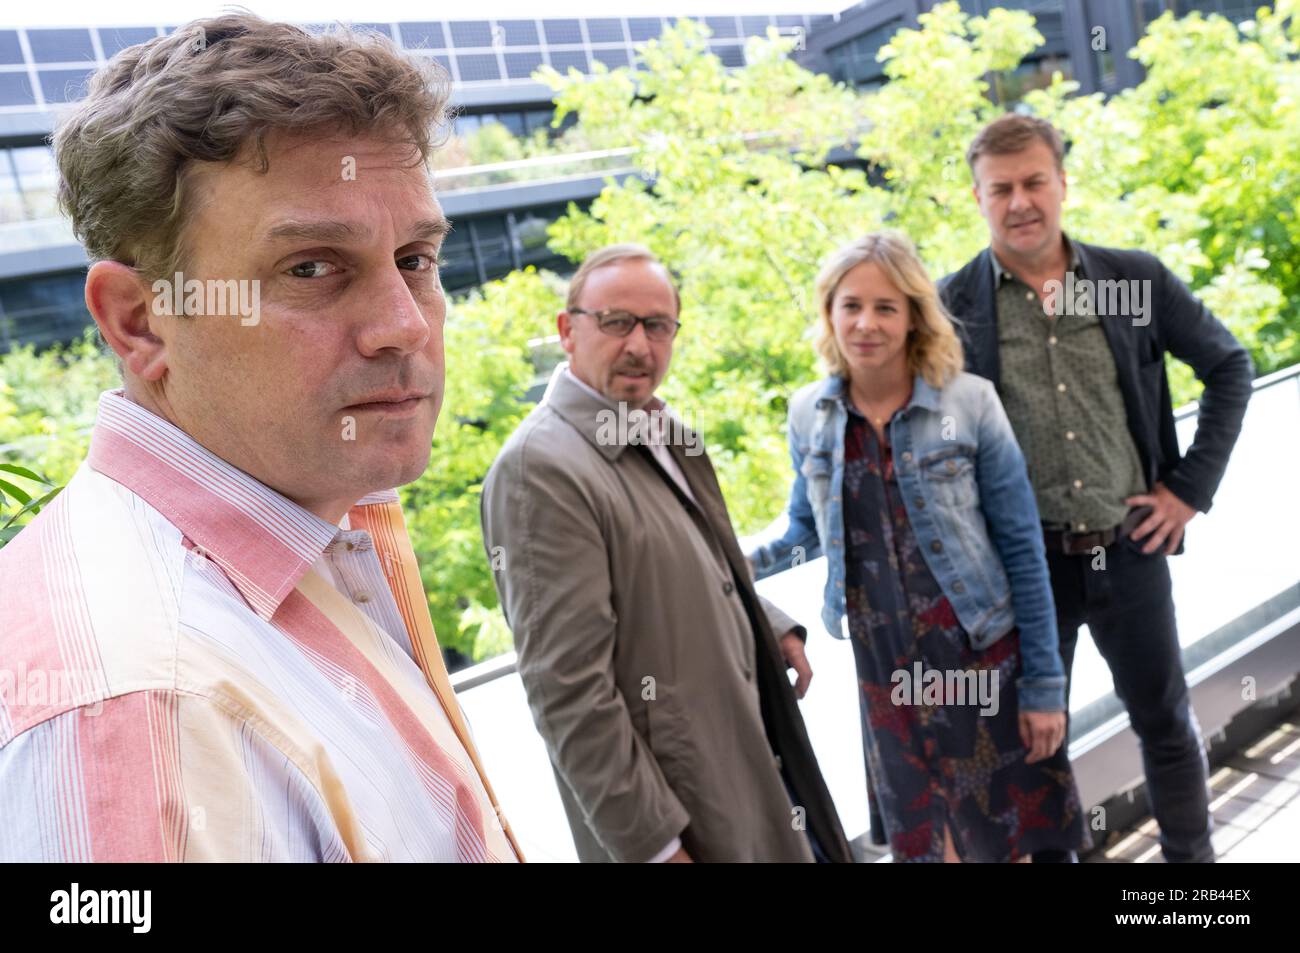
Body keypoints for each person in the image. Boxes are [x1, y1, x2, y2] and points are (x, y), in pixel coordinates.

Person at [0, 14, 519, 862]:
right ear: (139, 323)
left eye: (417, 259)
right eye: (311, 267)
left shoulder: (313, 521)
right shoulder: (149, 707)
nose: (402, 324)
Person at [939, 114, 1253, 863]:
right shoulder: (953, 307)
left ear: (1061, 183)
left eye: (1034, 182)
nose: (1020, 202)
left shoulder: (1129, 282)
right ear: (978, 198)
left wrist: (1187, 490)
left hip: (1130, 550)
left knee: (1166, 725)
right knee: (1035, 752)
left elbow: (1229, 368)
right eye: (1001, 188)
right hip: (1026, 574)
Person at [481, 244, 852, 863]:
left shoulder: (657, 427)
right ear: (567, 331)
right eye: (616, 321)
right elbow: (568, 691)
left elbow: (680, 566)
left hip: (744, 755)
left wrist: (767, 627)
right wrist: (654, 847)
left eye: (658, 326)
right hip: (686, 810)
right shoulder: (539, 470)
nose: (639, 345)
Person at [748, 231, 1090, 862]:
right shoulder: (808, 415)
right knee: (934, 849)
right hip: (888, 677)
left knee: (1018, 845)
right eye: (851, 305)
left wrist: (1044, 685)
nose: (866, 323)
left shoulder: (970, 402)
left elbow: (1022, 550)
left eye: (886, 307)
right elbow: (800, 529)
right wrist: (718, 557)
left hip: (982, 660)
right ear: (829, 313)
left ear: (913, 317)